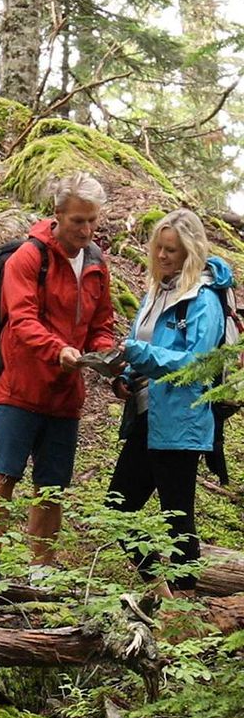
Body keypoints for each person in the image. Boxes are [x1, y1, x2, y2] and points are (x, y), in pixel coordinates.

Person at [0, 171, 116, 580]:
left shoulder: (96, 263)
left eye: (93, 220)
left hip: (65, 394)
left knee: (52, 483)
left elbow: (102, 320)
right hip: (19, 384)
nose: (87, 229)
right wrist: (59, 350)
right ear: (57, 215)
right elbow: (21, 319)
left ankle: (42, 567)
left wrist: (103, 350)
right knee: (3, 472)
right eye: (78, 221)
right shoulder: (29, 257)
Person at [107, 208, 232, 598]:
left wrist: (142, 355)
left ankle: (186, 605)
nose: (162, 256)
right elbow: (140, 346)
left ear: (190, 253)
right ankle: (161, 590)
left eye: (172, 251)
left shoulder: (204, 300)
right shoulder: (155, 292)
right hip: (146, 416)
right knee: (117, 509)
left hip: (182, 420)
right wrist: (124, 378)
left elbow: (198, 364)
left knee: (177, 517)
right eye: (159, 248)